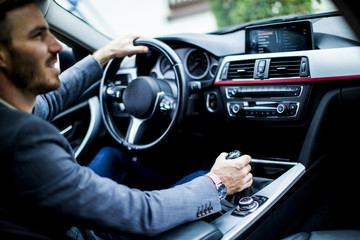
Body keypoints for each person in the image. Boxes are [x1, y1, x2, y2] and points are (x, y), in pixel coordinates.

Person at [0, 0, 253, 239]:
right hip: (82, 233)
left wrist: (104, 55)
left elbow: (51, 100)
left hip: (56, 217)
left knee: (113, 155)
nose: (56, 46)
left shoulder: (9, 113)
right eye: (37, 35)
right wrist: (217, 182)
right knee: (203, 176)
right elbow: (143, 214)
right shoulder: (25, 142)